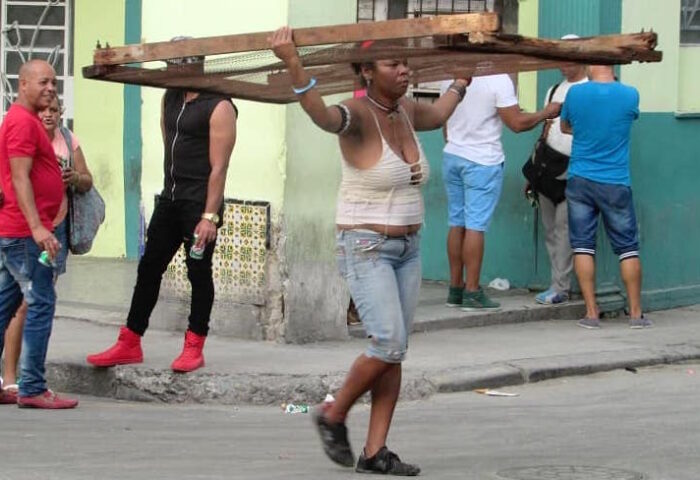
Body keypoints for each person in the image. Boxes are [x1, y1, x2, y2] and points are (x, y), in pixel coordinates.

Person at [269, 26, 470, 475]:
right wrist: (292, 61)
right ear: (365, 71)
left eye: (405, 63)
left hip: (408, 247)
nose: (403, 70)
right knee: (389, 341)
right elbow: (321, 116)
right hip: (367, 245)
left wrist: (461, 80)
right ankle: (333, 414)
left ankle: (375, 451)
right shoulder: (356, 115)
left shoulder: (405, 111)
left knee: (394, 350)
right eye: (392, 64)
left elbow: (438, 115)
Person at [86, 50, 238, 372]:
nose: (171, 70)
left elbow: (219, 167)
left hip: (199, 205)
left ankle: (194, 346)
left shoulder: (220, 105)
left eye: (177, 64)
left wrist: (209, 216)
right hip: (169, 200)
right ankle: (130, 341)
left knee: (198, 272)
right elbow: (169, 142)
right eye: (169, 64)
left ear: (194, 66)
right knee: (149, 267)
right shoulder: (170, 97)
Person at [0, 96, 94, 404]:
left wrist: (74, 178)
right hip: (30, 233)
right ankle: (28, 385)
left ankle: (21, 382)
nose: (50, 114)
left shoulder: (66, 139)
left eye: (55, 109)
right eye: (44, 109)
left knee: (10, 302)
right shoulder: (22, 131)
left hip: (52, 230)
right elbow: (17, 179)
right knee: (37, 302)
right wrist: (37, 228)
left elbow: (86, 179)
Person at [442, 74, 561, 310]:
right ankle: (472, 291)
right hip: (482, 160)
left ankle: (455, 289)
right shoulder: (498, 78)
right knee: (475, 225)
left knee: (457, 222)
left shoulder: (449, 75)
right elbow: (516, 123)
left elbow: (445, 121)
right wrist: (545, 112)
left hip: (453, 154)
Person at [560, 64, 650, 329]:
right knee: (627, 248)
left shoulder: (575, 95)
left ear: (590, 66)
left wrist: (585, 132)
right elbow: (628, 120)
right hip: (615, 182)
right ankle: (635, 314)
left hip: (579, 179)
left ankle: (591, 313)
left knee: (583, 245)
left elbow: (565, 126)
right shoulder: (630, 94)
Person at [528, 36, 588, 305]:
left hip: (575, 169)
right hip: (548, 167)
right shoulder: (554, 90)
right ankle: (557, 283)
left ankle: (560, 286)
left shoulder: (590, 90)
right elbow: (546, 130)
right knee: (551, 229)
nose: (563, 63)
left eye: (568, 56)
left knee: (565, 229)